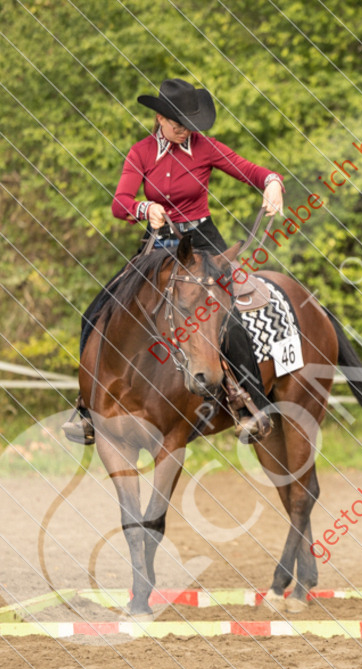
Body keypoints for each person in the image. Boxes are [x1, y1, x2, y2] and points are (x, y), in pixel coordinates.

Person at [63, 78, 284, 445]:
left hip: (205, 244)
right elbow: (120, 203)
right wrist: (144, 207)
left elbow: (253, 171)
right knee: (96, 311)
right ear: (159, 118)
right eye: (177, 122)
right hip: (160, 245)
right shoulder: (141, 153)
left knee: (231, 315)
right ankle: (88, 406)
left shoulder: (206, 148)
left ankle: (252, 405)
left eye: (189, 123)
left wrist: (273, 183)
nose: (185, 130)